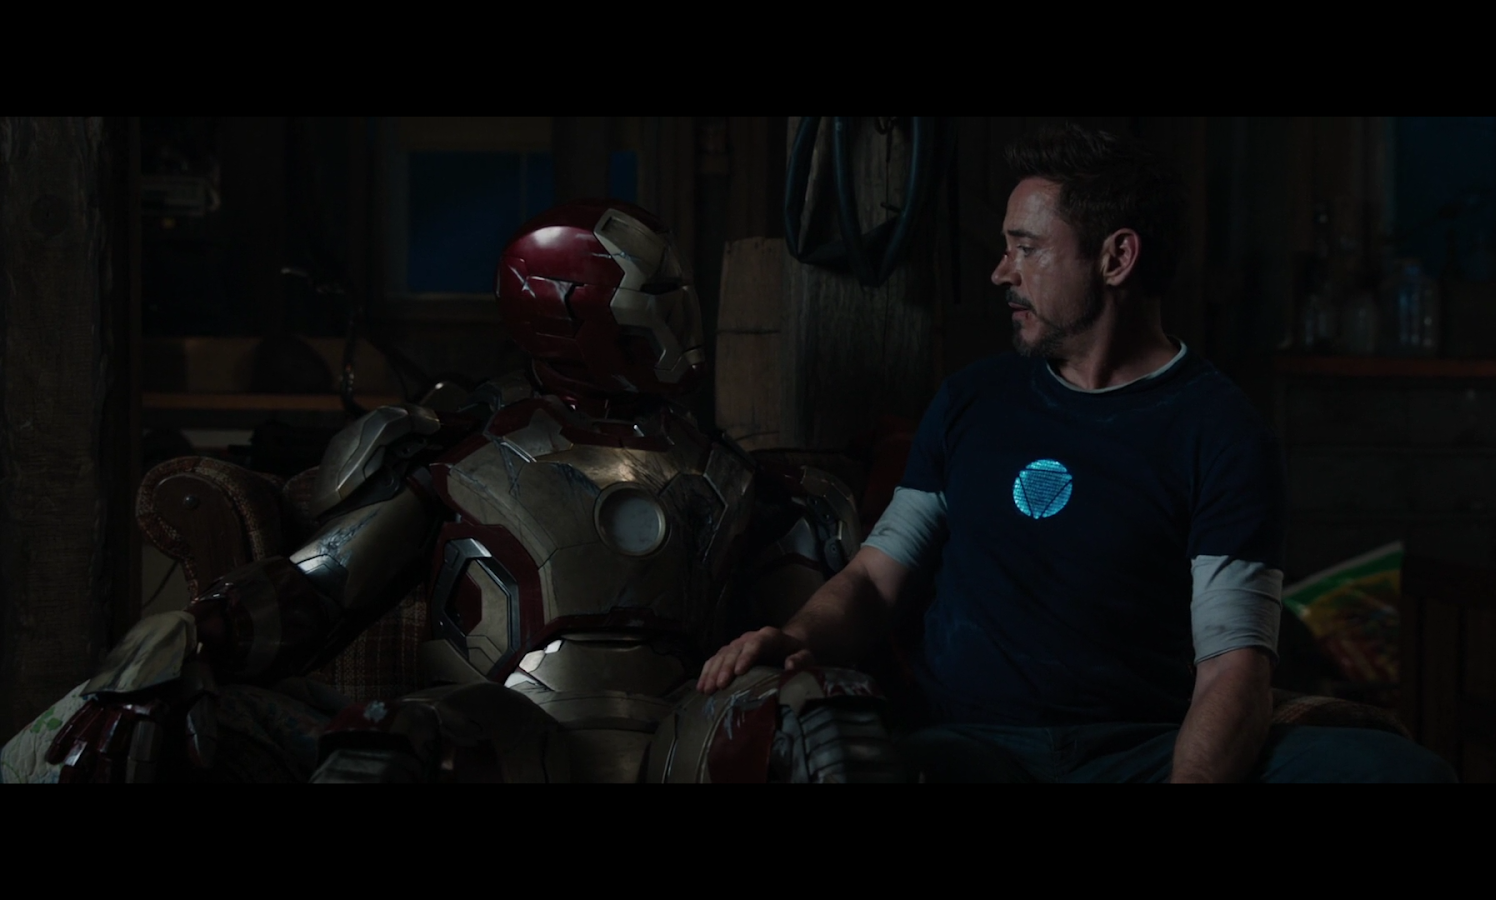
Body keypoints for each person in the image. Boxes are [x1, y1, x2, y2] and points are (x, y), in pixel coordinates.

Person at [9, 200, 898, 783]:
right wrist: (202, 631)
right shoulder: (464, 453)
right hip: (501, 724)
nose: (677, 334)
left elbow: (804, 639)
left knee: (830, 726)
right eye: (654, 313)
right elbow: (321, 585)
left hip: (685, 728)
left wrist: (801, 671)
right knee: (387, 743)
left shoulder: (735, 474)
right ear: (575, 320)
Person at [699, 123, 1457, 783]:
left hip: (1140, 751)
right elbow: (873, 580)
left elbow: (1233, 666)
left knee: (1397, 772)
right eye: (1006, 248)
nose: (1002, 271)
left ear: (1116, 258)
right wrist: (795, 636)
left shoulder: (1221, 431)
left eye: (1026, 248)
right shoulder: (973, 401)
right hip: (968, 745)